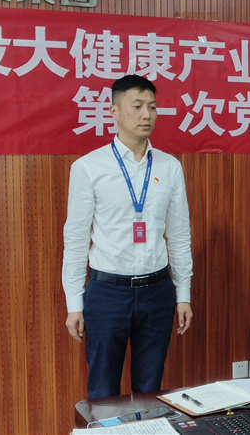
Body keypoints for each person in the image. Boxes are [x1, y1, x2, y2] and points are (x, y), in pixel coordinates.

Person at [62, 75, 193, 399]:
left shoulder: (170, 167)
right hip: (107, 293)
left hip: (157, 291)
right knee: (103, 391)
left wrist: (183, 293)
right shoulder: (88, 167)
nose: (147, 114)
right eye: (137, 106)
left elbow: (179, 235)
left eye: (152, 106)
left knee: (149, 390)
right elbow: (76, 239)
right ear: (115, 111)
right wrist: (74, 303)